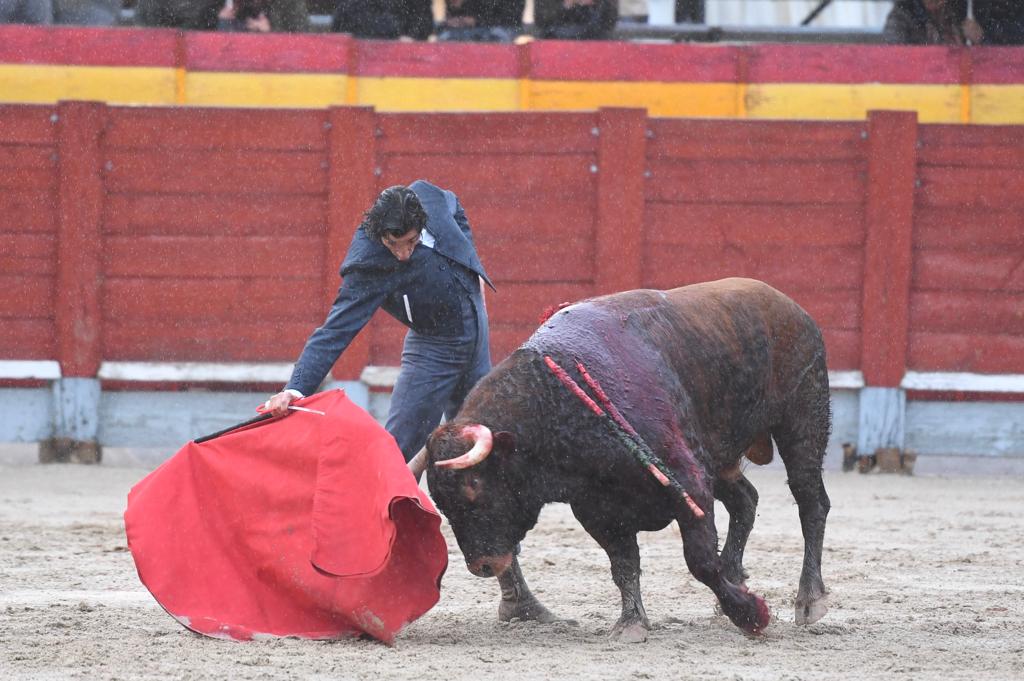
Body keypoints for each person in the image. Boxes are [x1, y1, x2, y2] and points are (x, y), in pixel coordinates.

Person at [264, 181, 493, 464]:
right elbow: (335, 330)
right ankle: (375, 508)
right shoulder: (369, 264)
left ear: (422, 224)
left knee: (481, 435)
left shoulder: (431, 198)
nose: (402, 254)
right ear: (379, 234)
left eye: (411, 242)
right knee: (398, 447)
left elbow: (455, 207)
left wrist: (471, 267)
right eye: (392, 244)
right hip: (434, 348)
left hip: (477, 329)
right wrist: (295, 388)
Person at [882, 0, 982, 45]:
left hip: (958, 84)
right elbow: (895, 56)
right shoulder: (901, 15)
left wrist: (980, 40)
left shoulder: (961, 11)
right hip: (922, 85)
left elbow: (984, 63)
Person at [331, 0, 434, 40]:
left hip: (404, 60)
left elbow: (424, 21)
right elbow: (341, 22)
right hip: (360, 55)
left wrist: (412, 38)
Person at [437, 0, 525, 43]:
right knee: (446, 37)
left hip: (503, 27)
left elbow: (511, 18)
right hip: (473, 28)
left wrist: (476, 21)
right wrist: (457, 8)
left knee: (497, 37)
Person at [535, 0, 618, 40]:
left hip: (594, 37)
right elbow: (541, 19)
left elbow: (610, 21)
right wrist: (566, 4)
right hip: (556, 35)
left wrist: (595, 3)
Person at [217, 0, 308, 32]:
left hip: (277, 67)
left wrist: (272, 33)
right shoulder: (224, 5)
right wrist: (223, 23)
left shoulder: (290, 4)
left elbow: (303, 40)